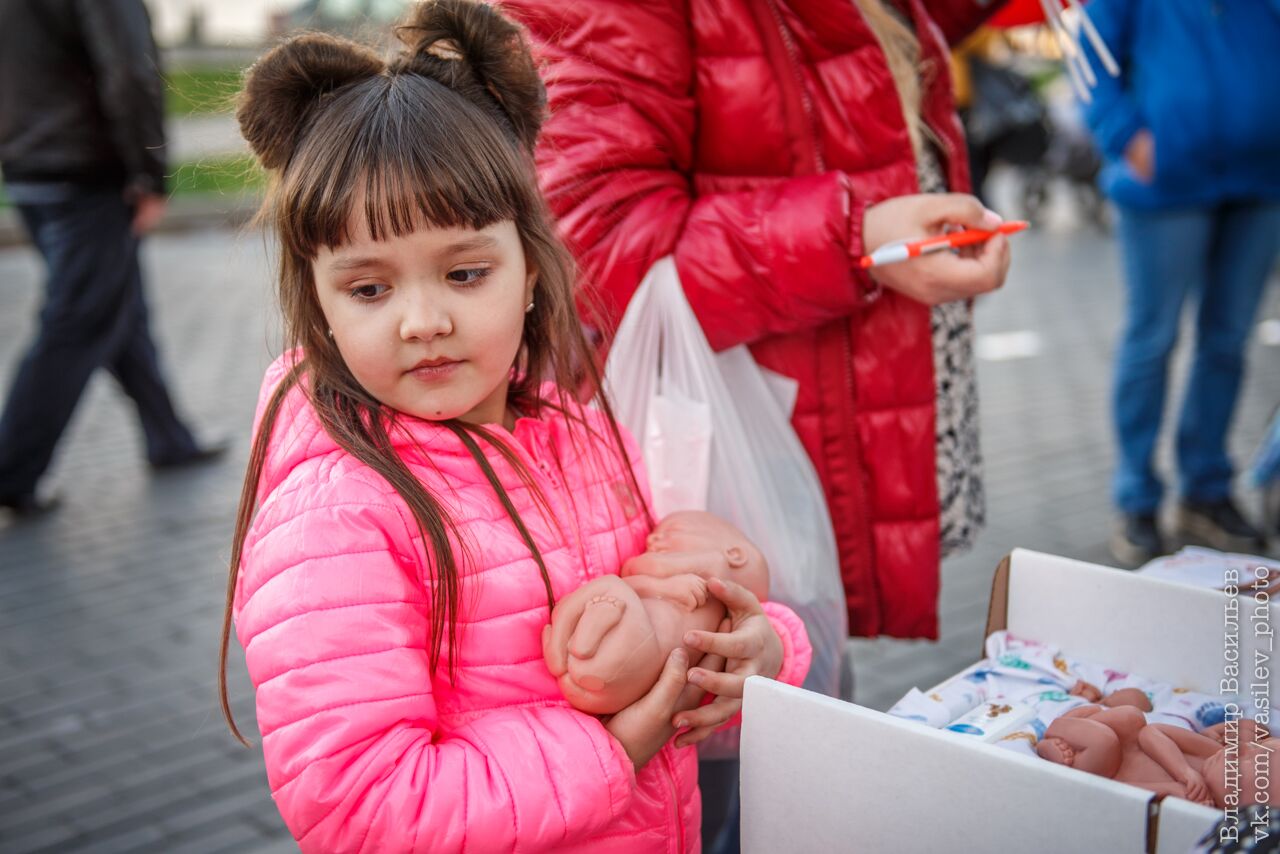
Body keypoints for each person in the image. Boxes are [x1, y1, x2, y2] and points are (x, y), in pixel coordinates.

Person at [216, 3, 812, 851]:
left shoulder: (578, 427)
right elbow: (358, 807)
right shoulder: (338, 514)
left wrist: (760, 656)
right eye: (369, 288)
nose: (422, 320)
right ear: (318, 295)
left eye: (464, 272)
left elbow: (669, 625)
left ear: (530, 268)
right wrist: (609, 748)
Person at [498, 0, 1012, 847]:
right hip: (726, 468)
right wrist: (856, 239)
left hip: (812, 439)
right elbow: (597, 238)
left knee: (790, 733)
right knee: (730, 780)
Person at [0, 0, 224, 517]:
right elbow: (128, 68)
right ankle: (12, 472)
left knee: (117, 308)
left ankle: (169, 436)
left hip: (30, 169)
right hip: (85, 174)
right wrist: (149, 172)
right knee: (76, 322)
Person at [1078, 0, 1280, 565]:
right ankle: (1137, 499)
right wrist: (1128, 137)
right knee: (1152, 340)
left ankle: (1206, 490)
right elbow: (1092, 62)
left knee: (1228, 343)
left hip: (1261, 181)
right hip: (1164, 184)